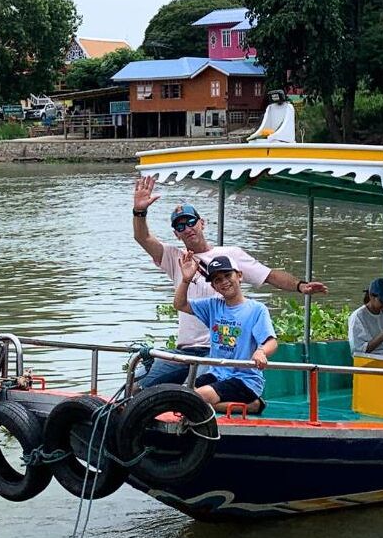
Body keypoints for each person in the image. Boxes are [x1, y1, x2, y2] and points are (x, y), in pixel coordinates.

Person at [132, 173, 327, 387]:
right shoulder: (174, 257)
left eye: (191, 222)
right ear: (177, 234)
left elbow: (269, 275)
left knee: (193, 391)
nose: (187, 229)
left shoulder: (231, 255)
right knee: (139, 385)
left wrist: (300, 286)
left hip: (217, 350)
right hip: (184, 350)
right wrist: (140, 211)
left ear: (202, 223)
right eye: (180, 227)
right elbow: (143, 238)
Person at [174, 253, 277, 411]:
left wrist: (261, 352)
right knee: (184, 393)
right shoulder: (213, 305)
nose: (224, 282)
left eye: (228, 275)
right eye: (218, 280)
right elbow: (180, 304)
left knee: (198, 397)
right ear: (214, 286)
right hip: (217, 374)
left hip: (245, 380)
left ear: (239, 276)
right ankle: (251, 406)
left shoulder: (257, 309)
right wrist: (186, 280)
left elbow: (271, 341)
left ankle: (249, 404)